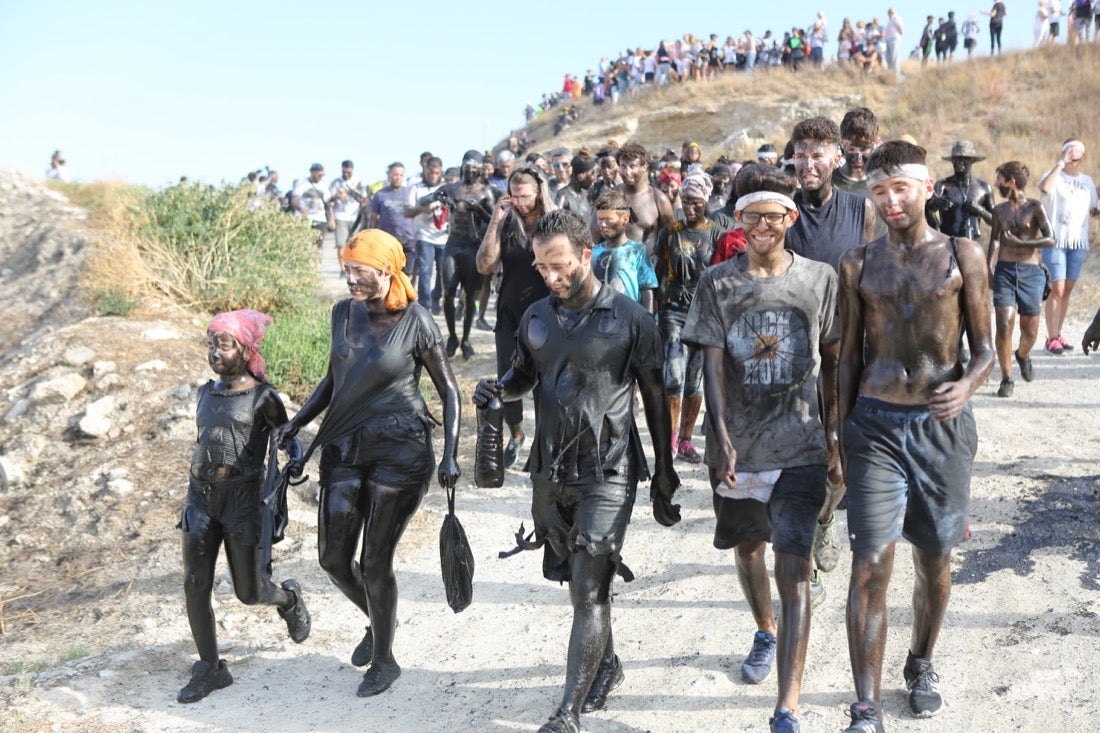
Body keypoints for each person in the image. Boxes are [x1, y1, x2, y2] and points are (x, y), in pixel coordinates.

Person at [473, 210, 680, 733]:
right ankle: (606, 663)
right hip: (549, 468)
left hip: (609, 468)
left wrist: (663, 471)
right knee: (577, 583)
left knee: (589, 590)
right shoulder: (536, 316)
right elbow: (522, 375)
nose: (550, 276)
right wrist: (498, 388)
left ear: (586, 256)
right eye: (542, 267)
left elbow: (655, 398)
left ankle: (567, 712)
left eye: (558, 264)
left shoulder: (632, 318)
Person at [837, 141, 993, 732]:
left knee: (935, 563)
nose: (890, 200)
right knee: (870, 565)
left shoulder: (963, 254)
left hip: (941, 428)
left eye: (900, 188)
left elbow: (983, 351)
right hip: (873, 425)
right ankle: (866, 707)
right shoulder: (857, 263)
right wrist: (837, 433)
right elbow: (848, 359)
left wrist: (967, 385)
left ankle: (921, 661)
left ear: (927, 188)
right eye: (878, 191)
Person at [683, 163, 839, 733]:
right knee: (749, 550)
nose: (762, 226)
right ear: (740, 221)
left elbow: (833, 364)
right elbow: (711, 363)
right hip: (739, 448)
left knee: (792, 565)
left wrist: (835, 435)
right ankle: (765, 631)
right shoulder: (717, 282)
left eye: (772, 217)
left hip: (800, 444)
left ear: (790, 218)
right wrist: (720, 436)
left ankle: (787, 705)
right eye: (752, 218)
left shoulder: (820, 279)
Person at [273, 230, 460, 698]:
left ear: (387, 270)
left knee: (375, 561)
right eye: (347, 269)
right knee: (333, 558)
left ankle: (385, 659)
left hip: (401, 449)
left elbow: (450, 392)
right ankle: (378, 623)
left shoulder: (416, 320)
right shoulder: (343, 313)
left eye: (361, 272)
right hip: (345, 446)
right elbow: (334, 379)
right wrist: (297, 422)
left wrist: (453, 454)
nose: (351, 279)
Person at [179, 309, 311, 703]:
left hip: (243, 504)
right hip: (200, 499)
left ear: (245, 349)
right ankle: (211, 668)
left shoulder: (263, 397)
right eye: (210, 343)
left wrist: (296, 452)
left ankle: (288, 599)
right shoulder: (204, 393)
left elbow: (287, 436)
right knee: (193, 583)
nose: (214, 352)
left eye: (223, 344)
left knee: (250, 593)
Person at [783, 117, 875, 580]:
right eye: (800, 154)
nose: (808, 162)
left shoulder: (862, 211)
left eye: (817, 153)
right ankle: (800, 558)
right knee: (797, 462)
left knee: (838, 464)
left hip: (846, 353)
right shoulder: (782, 214)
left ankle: (824, 522)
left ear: (837, 158)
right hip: (791, 357)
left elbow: (880, 280)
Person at [477, 166, 556, 468]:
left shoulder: (551, 223)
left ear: (538, 193)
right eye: (515, 196)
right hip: (510, 315)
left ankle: (542, 444)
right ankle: (517, 434)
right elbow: (484, 266)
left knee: (545, 381)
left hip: (546, 314)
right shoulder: (507, 223)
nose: (521, 202)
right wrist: (496, 221)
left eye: (526, 196)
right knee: (507, 380)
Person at [655, 173, 723, 464]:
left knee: (695, 381)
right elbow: (659, 269)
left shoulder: (716, 234)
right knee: (673, 376)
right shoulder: (671, 232)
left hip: (705, 312)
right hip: (674, 311)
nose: (690, 207)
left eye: (696, 202)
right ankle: (670, 440)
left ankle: (686, 440)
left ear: (706, 200)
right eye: (685, 202)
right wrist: (658, 307)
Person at [988, 161, 1055, 397]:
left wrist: (1023, 243)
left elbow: (1050, 239)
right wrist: (989, 267)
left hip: (1031, 272)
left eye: (999, 179)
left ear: (1011, 182)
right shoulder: (999, 210)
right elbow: (995, 240)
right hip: (1005, 270)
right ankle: (1007, 377)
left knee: (1030, 328)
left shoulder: (1035, 207)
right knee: (1004, 324)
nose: (996, 184)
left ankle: (1023, 355)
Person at [1038, 140, 1100, 354]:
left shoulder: (1087, 182)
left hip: (1078, 242)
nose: (1074, 154)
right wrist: (1061, 163)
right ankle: (1051, 337)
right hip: (1056, 240)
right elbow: (1044, 189)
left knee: (1068, 290)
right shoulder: (1053, 175)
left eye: (1078, 151)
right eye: (1070, 150)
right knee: (1057, 289)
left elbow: (1093, 211)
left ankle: (1059, 333)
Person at [440, 150, 498, 359]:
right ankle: (452, 337)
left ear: (479, 171)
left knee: (470, 294)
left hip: (473, 246)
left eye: (475, 169)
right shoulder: (451, 188)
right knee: (448, 293)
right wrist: (434, 199)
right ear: (462, 167)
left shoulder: (485, 192)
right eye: (467, 168)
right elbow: (429, 198)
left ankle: (465, 339)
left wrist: (478, 209)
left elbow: (493, 218)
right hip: (453, 244)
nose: (470, 172)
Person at [591, 190, 658, 312]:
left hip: (628, 321)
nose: (602, 224)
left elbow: (647, 292)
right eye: (599, 219)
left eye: (608, 219)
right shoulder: (594, 253)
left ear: (625, 219)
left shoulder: (637, 251)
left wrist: (647, 323)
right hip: (597, 322)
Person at [928, 142, 996, 244]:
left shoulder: (983, 187)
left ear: (972, 160)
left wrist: (980, 210)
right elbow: (929, 208)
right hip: (946, 243)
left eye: (964, 158)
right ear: (952, 161)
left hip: (972, 244)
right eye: (956, 159)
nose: (959, 162)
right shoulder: (942, 185)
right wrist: (937, 202)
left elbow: (995, 221)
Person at [615, 142, 675, 258]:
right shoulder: (609, 198)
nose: (627, 172)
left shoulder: (658, 199)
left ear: (644, 167)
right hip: (615, 269)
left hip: (648, 269)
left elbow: (671, 240)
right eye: (623, 166)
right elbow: (594, 238)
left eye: (632, 166)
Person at [405, 157, 449, 312]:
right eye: (431, 172)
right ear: (425, 170)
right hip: (424, 235)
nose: (433, 176)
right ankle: (425, 305)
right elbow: (407, 212)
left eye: (437, 173)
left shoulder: (447, 187)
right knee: (425, 270)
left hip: (444, 235)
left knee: (445, 272)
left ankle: (436, 297)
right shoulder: (415, 188)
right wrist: (423, 209)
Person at [369, 163, 416, 275]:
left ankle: (406, 292)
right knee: (389, 272)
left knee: (407, 272)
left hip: (408, 239)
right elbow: (374, 218)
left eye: (401, 175)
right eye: (395, 174)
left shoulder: (409, 193)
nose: (398, 177)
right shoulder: (380, 195)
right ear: (388, 175)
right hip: (387, 240)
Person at [330, 160, 368, 258]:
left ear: (352, 170)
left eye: (348, 172)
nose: (346, 174)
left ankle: (352, 266)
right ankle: (342, 269)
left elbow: (364, 198)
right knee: (341, 244)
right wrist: (337, 197)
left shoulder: (358, 182)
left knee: (354, 244)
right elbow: (329, 200)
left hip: (355, 217)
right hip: (340, 215)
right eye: (344, 171)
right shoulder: (336, 182)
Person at [290, 163, 334, 247]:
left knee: (318, 245)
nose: (321, 176)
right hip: (304, 218)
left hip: (320, 218)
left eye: (322, 174)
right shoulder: (302, 184)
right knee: (302, 244)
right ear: (313, 172)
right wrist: (300, 209)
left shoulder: (323, 186)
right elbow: (294, 200)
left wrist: (332, 219)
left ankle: (317, 260)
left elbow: (328, 204)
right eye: (319, 174)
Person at [556, 151, 597, 222]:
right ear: (581, 176)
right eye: (592, 174)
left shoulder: (588, 193)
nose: (595, 178)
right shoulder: (563, 196)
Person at [883, 8, 905, 74]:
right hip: (888, 39)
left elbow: (900, 27)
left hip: (894, 38)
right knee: (889, 55)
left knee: (895, 55)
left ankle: (896, 70)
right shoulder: (890, 20)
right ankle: (891, 69)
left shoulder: (896, 18)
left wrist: (899, 35)